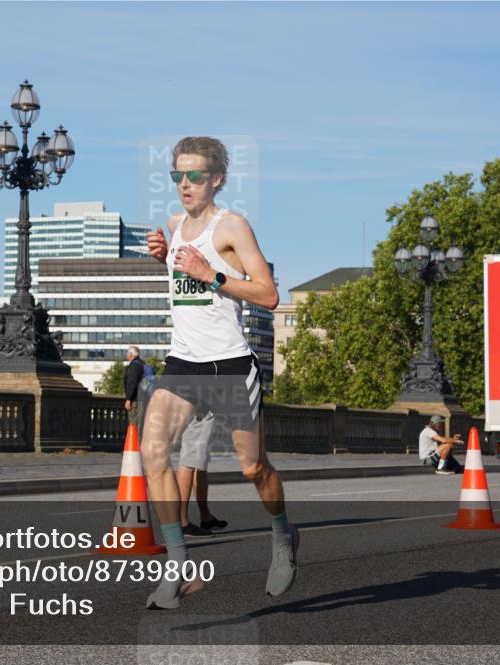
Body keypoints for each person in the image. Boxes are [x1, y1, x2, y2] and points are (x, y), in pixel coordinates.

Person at [142, 136, 293, 610]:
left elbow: (269, 295)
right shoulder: (174, 226)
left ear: (217, 179)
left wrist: (213, 275)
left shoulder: (233, 227)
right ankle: (179, 566)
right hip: (184, 362)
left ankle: (283, 535)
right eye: (178, 175)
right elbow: (185, 285)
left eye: (195, 176)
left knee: (254, 468)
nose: (185, 184)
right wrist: (164, 258)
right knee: (153, 451)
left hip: (229, 364)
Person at [177, 412, 228, 538]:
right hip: (199, 407)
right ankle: (181, 522)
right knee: (189, 460)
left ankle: (206, 518)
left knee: (199, 461)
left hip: (199, 407)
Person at [123, 346, 145, 426]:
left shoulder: (134, 365)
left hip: (135, 400)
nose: (126, 355)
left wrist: (129, 399)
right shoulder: (143, 364)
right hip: (143, 398)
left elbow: (132, 383)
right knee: (141, 424)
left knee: (133, 424)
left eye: (127, 353)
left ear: (131, 354)